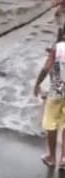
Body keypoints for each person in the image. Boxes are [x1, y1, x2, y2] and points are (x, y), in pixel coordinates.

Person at [34, 30, 65, 169]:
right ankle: (64, 159)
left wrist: (37, 84)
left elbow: (46, 68)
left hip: (56, 92)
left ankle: (51, 157)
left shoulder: (58, 48)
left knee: (51, 125)